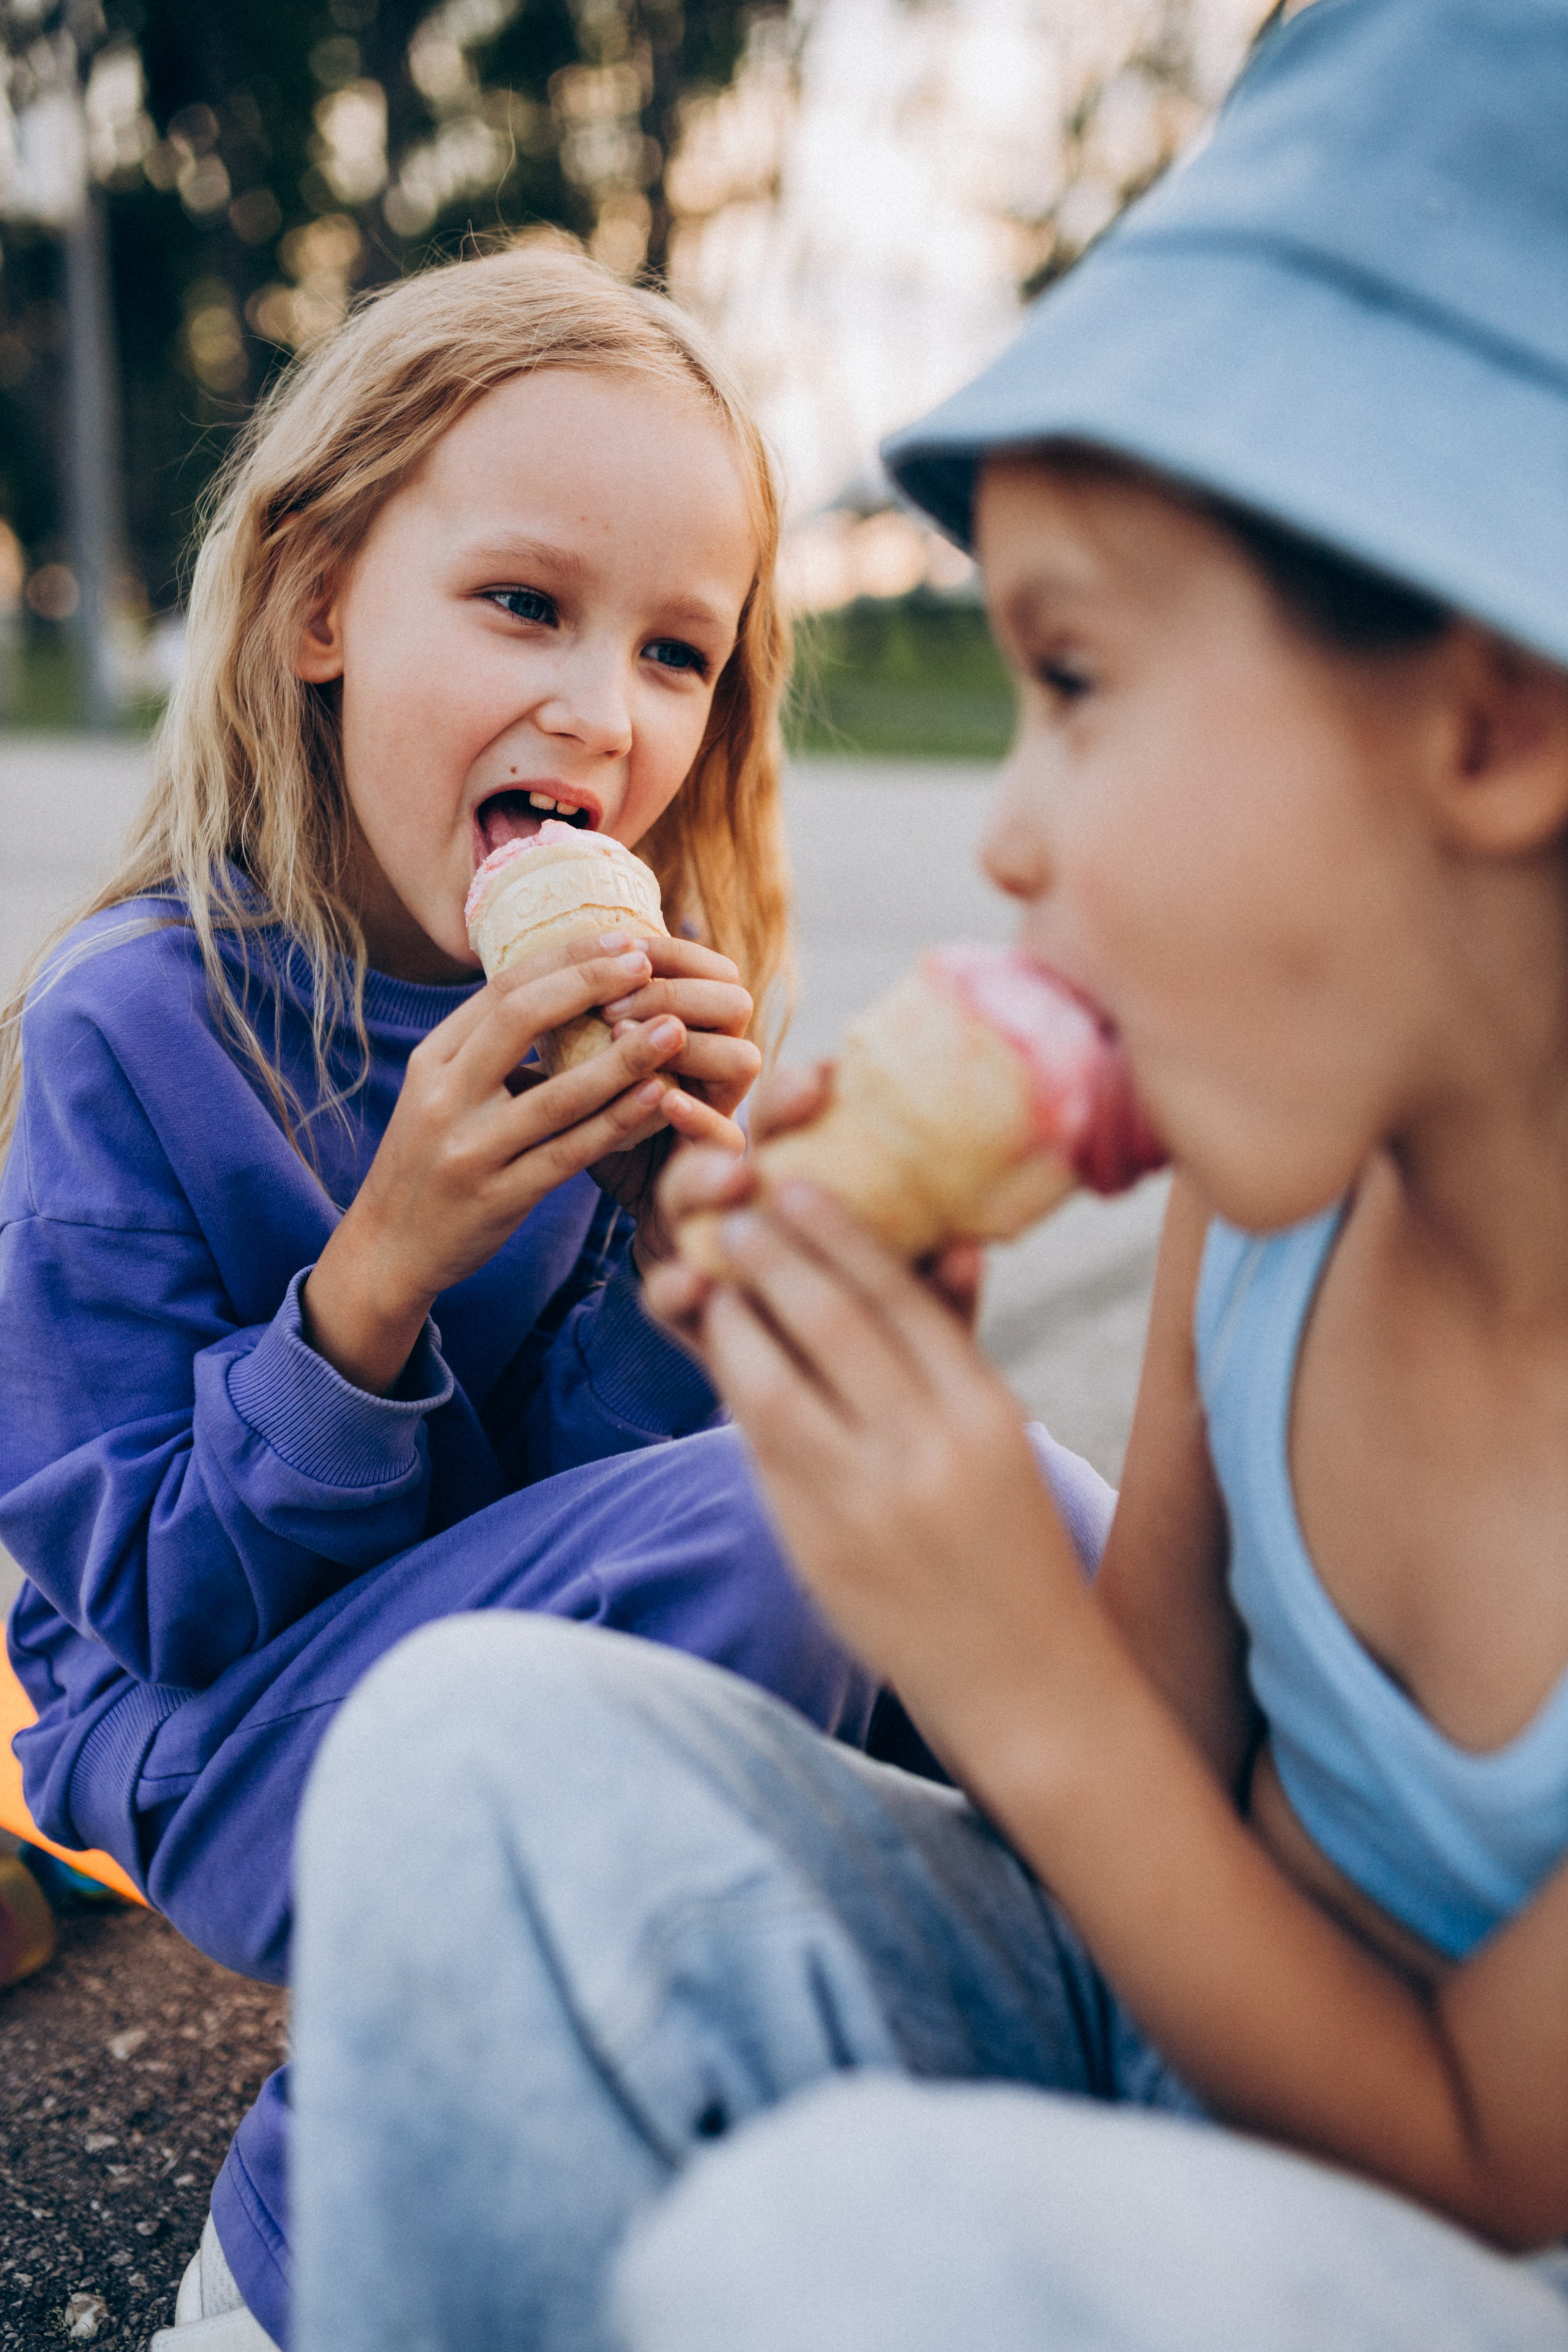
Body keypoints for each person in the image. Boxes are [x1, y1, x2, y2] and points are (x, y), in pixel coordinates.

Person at [285, 2, 1568, 2347]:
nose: (1002, 827)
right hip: (1144, 2053)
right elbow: (1147, 1786)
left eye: (1073, 685)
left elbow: (1494, 2148)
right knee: (459, 1750)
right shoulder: (1271, 1211)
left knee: (834, 2255)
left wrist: (1003, 1657)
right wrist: (898, 1422)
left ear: (1493, 718)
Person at [3, 246, 1113, 2351]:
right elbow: (142, 1604)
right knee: (803, 1515)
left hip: (517, 1688)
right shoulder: (129, 1027)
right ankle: (303, 2257)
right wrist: (375, 1283)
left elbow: (622, 1516)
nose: (605, 714)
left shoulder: (634, 1027)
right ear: (323, 602)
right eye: (526, 605)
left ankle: (1302, 1926)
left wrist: (708, 1265)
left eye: (678, 656)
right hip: (221, 1744)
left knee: (996, 1493)